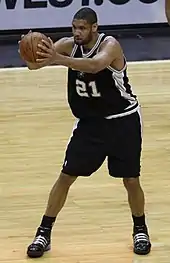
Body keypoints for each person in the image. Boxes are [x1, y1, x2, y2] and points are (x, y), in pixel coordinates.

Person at [21, 7, 151, 258]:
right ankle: (43, 233)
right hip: (90, 124)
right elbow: (33, 66)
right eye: (74, 27)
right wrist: (30, 52)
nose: (77, 32)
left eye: (82, 28)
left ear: (94, 27)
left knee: (131, 179)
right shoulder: (67, 45)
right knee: (66, 176)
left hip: (122, 121)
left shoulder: (110, 45)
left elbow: (95, 65)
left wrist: (57, 60)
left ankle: (140, 229)